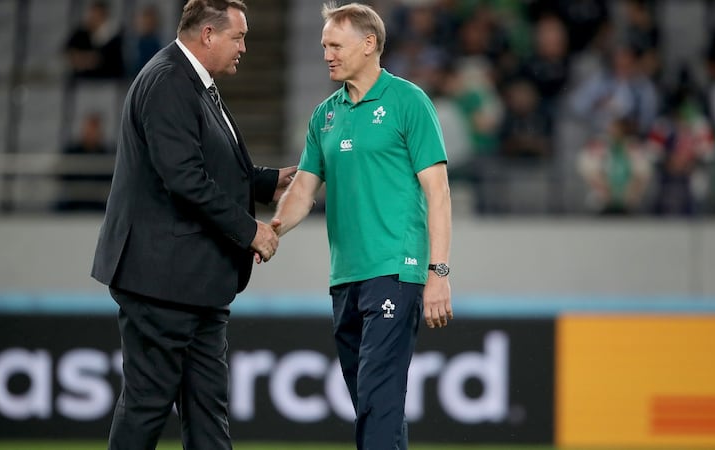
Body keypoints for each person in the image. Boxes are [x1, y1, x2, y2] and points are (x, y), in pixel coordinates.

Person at [91, 1, 295, 448]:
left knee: (207, 412)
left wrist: (268, 182)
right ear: (208, 34)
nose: (244, 47)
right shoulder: (168, 82)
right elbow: (184, 180)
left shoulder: (191, 81)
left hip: (192, 282)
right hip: (161, 281)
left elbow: (208, 164)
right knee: (148, 403)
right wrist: (250, 230)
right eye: (238, 37)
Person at [271, 3, 452, 449]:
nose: (327, 55)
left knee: (376, 397)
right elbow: (303, 189)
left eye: (335, 45)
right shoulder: (324, 115)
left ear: (369, 44)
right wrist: (269, 231)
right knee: (374, 404)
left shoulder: (408, 101)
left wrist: (438, 272)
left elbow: (439, 193)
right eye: (324, 46)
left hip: (395, 270)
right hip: (345, 278)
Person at [63, 0, 125, 80]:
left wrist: (81, 59)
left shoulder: (115, 35)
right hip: (81, 80)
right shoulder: (81, 32)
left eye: (97, 15)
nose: (93, 17)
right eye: (92, 14)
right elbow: (67, 53)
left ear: (104, 15)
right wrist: (85, 59)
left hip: (106, 80)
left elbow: (100, 60)